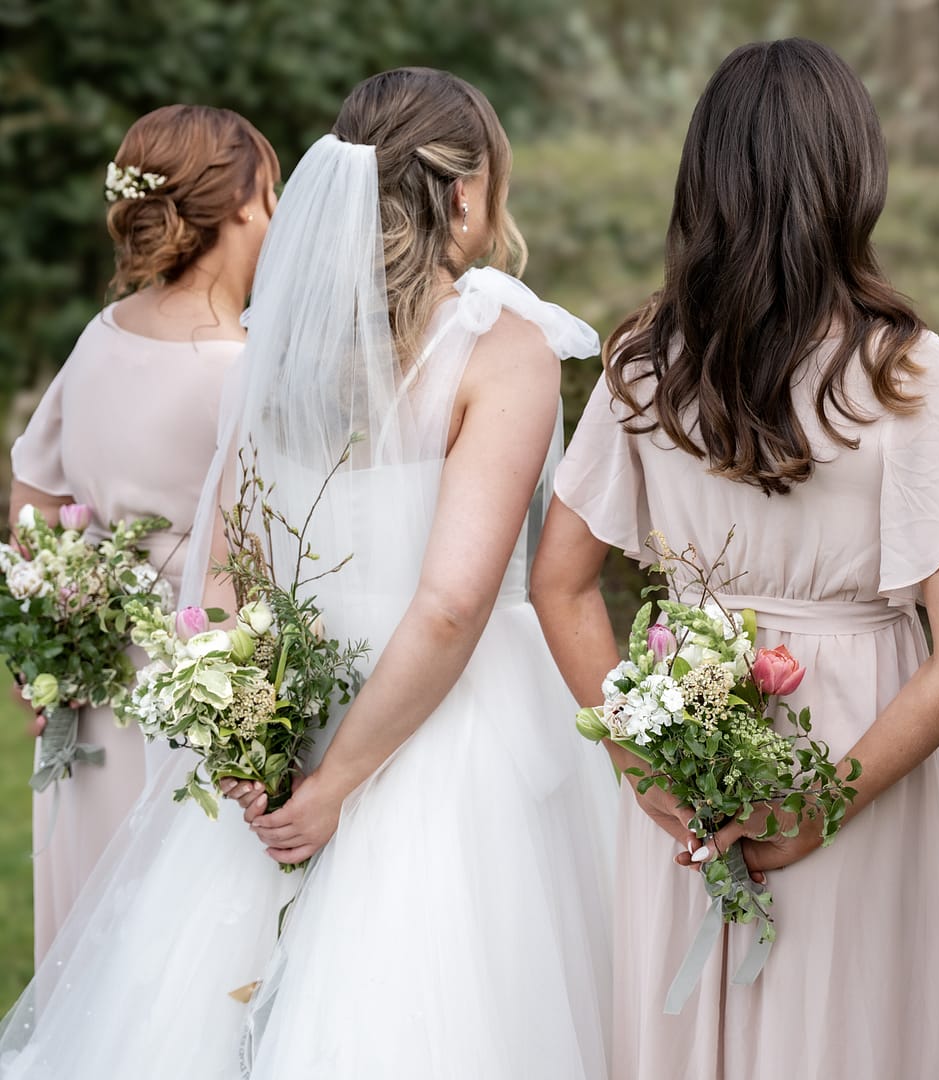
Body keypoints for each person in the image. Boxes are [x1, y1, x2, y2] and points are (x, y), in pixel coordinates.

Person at [0, 68, 614, 1079]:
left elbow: (225, 575)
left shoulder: (274, 344)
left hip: (296, 703)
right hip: (445, 727)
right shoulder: (503, 348)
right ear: (465, 194)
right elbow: (451, 605)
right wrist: (333, 787)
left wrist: (248, 737)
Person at [532, 38, 939, 1080]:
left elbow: (559, 584)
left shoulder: (647, 363)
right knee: (839, 1025)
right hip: (857, 734)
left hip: (687, 727)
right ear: (853, 176)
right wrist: (818, 802)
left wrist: (643, 766)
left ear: (703, 178)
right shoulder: (913, 373)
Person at [7, 104, 278, 961]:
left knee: (94, 948)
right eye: (270, 195)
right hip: (192, 705)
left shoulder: (101, 336)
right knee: (180, 962)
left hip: (90, 699)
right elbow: (260, 562)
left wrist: (47, 644)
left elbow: (32, 502)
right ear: (242, 204)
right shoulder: (240, 372)